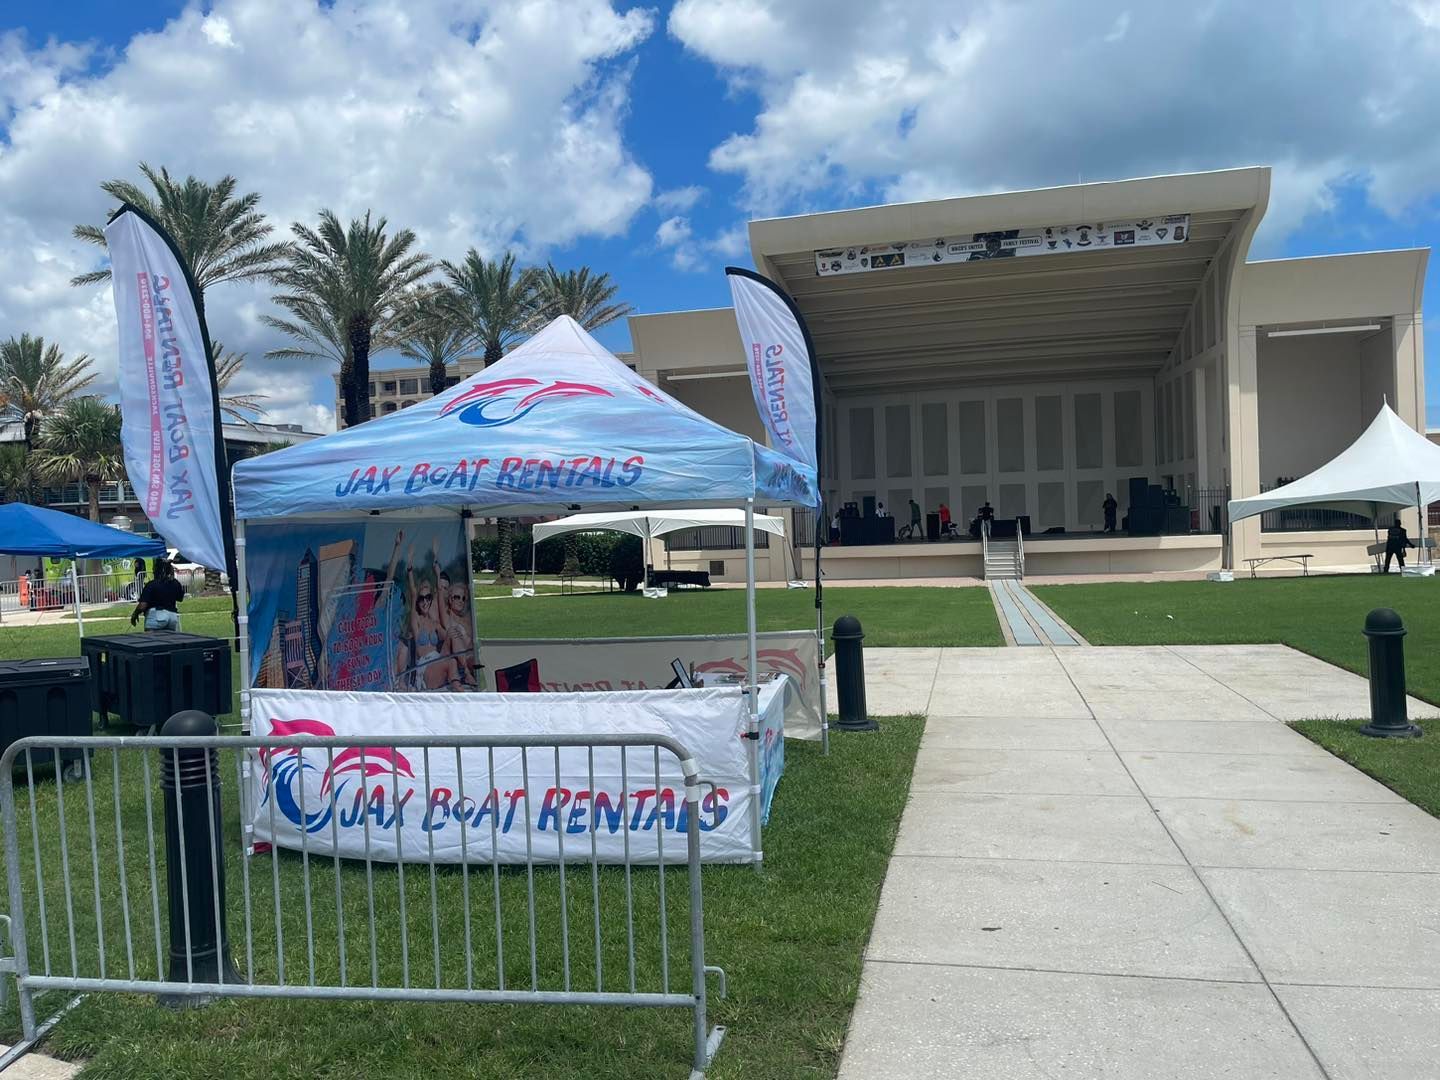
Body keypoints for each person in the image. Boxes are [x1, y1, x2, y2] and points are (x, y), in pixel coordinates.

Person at [129, 558, 184, 630]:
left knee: (152, 640)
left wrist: (135, 614)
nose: (153, 571)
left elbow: (142, 605)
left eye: (154, 569)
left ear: (157, 570)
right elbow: (180, 598)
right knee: (169, 640)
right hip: (172, 617)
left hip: (156, 615)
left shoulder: (151, 584)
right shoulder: (175, 583)